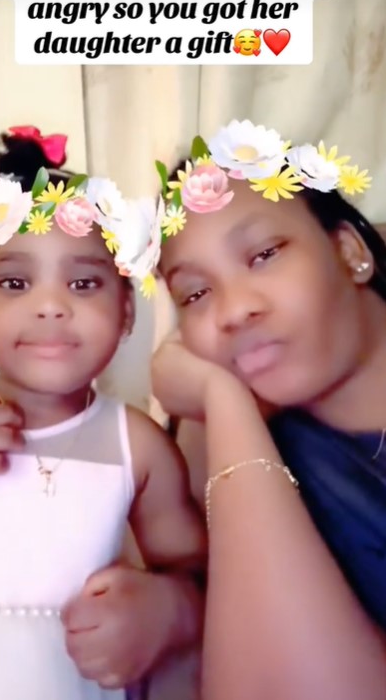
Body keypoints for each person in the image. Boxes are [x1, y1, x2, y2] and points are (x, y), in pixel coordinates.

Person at [0, 126, 206, 700]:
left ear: (126, 311)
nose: (51, 306)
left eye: (83, 283)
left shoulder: (139, 445)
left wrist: (172, 609)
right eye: (15, 282)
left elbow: (203, 576)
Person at [147, 120, 386, 699]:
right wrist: (222, 400)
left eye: (263, 254)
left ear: (349, 251)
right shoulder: (240, 448)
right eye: (195, 294)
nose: (232, 311)